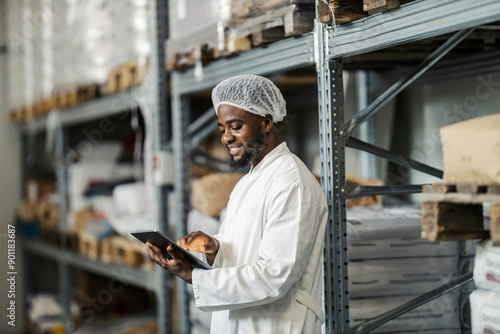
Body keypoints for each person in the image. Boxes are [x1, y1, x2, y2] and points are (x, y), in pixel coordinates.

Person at [146, 74, 328, 334]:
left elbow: (274, 276)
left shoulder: (292, 183)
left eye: (235, 126)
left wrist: (194, 276)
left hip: (277, 326)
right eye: (222, 129)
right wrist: (215, 248)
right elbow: (247, 251)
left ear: (266, 122)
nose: (226, 138)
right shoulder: (248, 182)